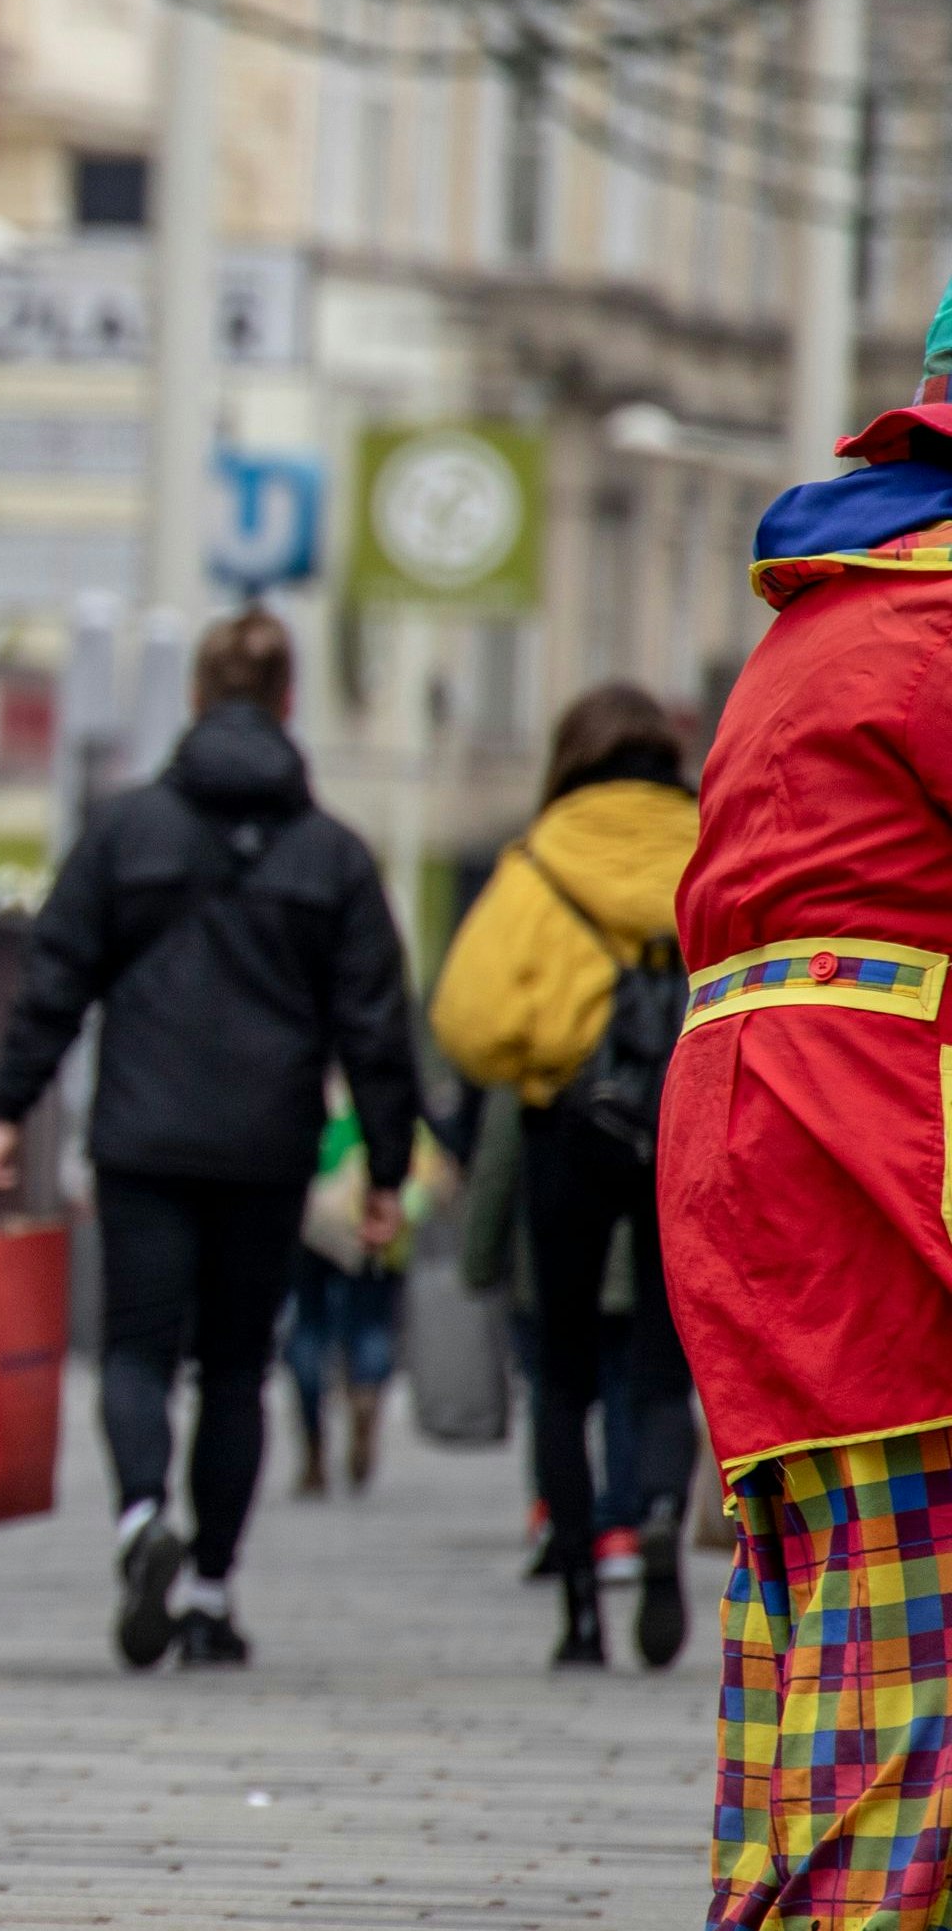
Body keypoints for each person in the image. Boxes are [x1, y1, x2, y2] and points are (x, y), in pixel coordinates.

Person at [0, 610, 416, 1670]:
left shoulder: (126, 832)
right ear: (289, 703)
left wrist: (5, 1112)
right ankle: (211, 1594)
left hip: (143, 1138)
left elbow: (53, 980)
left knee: (136, 1350)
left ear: (197, 698)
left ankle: (140, 1521)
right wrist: (386, 1167)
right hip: (267, 1148)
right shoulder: (333, 855)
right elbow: (374, 1025)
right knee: (234, 1370)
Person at [658, 320, 952, 1923]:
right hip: (881, 1132)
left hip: (753, 1130)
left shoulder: (831, 610)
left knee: (814, 1624)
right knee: (920, 1654)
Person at [427, 681, 700, 1669]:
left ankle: (581, 1607)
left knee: (564, 1371)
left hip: (570, 1127)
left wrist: (540, 1055)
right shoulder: (711, 843)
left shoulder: (539, 862)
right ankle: (661, 1511)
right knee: (666, 1363)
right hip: (684, 1121)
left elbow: (467, 1017)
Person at [279, 1111, 401, 1501]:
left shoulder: (305, 1084)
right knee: (371, 1323)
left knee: (308, 1325)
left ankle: (313, 1447)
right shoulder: (377, 1087)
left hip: (307, 1214)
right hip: (367, 1211)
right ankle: (365, 1395)